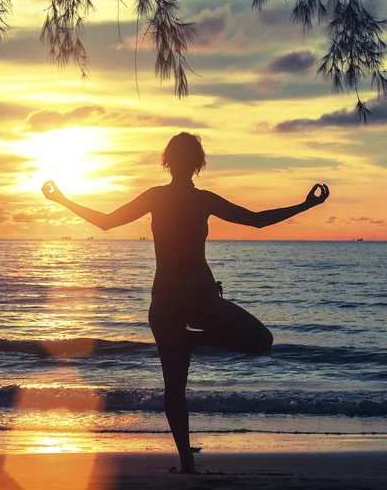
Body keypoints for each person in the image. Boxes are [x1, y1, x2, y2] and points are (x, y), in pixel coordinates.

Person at [41, 131, 330, 474]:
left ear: (172, 162)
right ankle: (186, 458)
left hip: (170, 300)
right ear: (196, 163)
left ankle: (187, 458)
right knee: (251, 346)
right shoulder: (197, 199)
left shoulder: (165, 197)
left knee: (177, 384)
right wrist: (306, 205)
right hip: (191, 297)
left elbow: (105, 222)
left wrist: (62, 199)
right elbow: (257, 220)